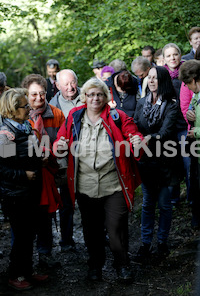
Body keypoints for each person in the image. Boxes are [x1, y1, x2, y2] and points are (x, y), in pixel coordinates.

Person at [54, 77, 143, 281]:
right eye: (91, 94)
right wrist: (59, 145)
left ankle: (122, 264)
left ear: (106, 97)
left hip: (114, 184)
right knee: (91, 230)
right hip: (85, 185)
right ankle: (95, 266)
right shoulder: (74, 116)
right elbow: (61, 138)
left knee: (116, 229)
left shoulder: (116, 116)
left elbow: (132, 134)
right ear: (84, 97)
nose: (95, 98)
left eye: (100, 94)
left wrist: (136, 139)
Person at [0, 88, 48, 290]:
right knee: (21, 235)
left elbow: (27, 154)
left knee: (29, 234)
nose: (29, 108)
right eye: (25, 106)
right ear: (12, 110)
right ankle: (15, 275)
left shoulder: (24, 126)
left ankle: (27, 271)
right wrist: (24, 175)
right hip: (15, 193)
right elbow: (2, 168)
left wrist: (40, 159)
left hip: (30, 190)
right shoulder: (6, 135)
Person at [133, 66, 178, 263]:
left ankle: (162, 243)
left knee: (165, 205)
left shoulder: (171, 104)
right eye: (149, 78)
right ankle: (145, 244)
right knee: (148, 204)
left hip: (166, 161)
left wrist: (149, 137)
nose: (151, 81)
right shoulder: (141, 102)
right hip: (146, 161)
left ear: (163, 80)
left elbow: (167, 132)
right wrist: (137, 138)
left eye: (155, 78)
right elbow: (134, 124)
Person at [21, 74, 65, 268]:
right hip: (26, 176)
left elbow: (64, 141)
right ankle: (24, 260)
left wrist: (52, 155)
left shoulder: (56, 114)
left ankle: (45, 254)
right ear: (25, 94)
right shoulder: (18, 114)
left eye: (42, 93)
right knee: (27, 218)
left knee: (46, 216)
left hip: (49, 171)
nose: (39, 98)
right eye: (33, 94)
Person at [50, 69, 83, 251]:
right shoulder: (52, 107)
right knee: (66, 204)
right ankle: (66, 240)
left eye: (73, 82)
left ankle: (99, 236)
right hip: (65, 162)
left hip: (87, 160)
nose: (70, 87)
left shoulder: (88, 98)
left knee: (91, 202)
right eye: (65, 84)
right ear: (57, 86)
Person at [163, 43, 190, 204]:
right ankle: (173, 199)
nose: (172, 58)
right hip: (169, 128)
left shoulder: (187, 71)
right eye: (168, 55)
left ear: (180, 55)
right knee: (171, 163)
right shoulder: (162, 75)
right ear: (164, 59)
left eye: (175, 54)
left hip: (184, 126)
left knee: (188, 163)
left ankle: (192, 197)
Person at [179, 59, 200, 229]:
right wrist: (190, 115)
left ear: (193, 80)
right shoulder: (196, 95)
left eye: (187, 83)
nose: (186, 87)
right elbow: (191, 111)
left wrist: (197, 132)